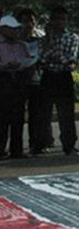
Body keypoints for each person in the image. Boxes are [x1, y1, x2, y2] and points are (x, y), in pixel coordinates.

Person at [39, 6, 79, 156]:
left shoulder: (72, 37)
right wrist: (52, 49)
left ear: (66, 21)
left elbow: (71, 59)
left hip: (63, 77)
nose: (59, 22)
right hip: (48, 76)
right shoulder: (44, 38)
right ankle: (42, 143)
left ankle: (69, 144)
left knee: (66, 113)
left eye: (62, 19)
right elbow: (41, 59)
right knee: (44, 112)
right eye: (56, 19)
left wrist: (52, 52)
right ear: (51, 21)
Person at [0, 15, 32, 159]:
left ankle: (16, 149)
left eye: (16, 29)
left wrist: (21, 63)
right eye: (12, 29)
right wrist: (6, 65)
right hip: (3, 80)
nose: (15, 32)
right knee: (2, 118)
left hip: (18, 82)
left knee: (18, 117)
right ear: (3, 29)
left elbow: (27, 59)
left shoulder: (21, 45)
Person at [16, 9, 46, 156]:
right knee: (17, 116)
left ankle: (36, 145)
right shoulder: (15, 39)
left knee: (36, 115)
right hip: (18, 80)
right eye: (26, 21)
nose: (30, 24)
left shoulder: (40, 37)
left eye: (32, 21)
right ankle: (17, 148)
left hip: (36, 80)